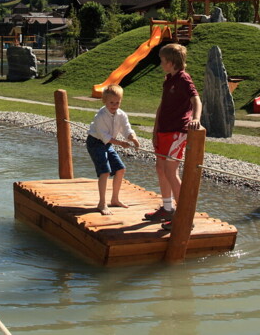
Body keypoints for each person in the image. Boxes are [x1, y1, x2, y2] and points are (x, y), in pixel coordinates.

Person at [144, 43, 202, 230]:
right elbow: (162, 105)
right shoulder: (168, 79)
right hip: (163, 130)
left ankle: (184, 215)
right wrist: (155, 130)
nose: (160, 64)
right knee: (160, 168)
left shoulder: (184, 78)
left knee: (170, 171)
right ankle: (167, 209)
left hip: (177, 131)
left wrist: (196, 118)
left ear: (170, 62)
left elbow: (196, 100)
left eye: (162, 61)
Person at [86, 84, 139, 215]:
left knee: (120, 169)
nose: (114, 105)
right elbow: (105, 137)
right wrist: (121, 143)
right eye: (111, 102)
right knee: (105, 172)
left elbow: (126, 129)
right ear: (104, 101)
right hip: (95, 143)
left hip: (108, 144)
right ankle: (102, 203)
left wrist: (133, 138)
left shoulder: (121, 114)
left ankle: (115, 199)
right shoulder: (100, 116)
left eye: (117, 102)